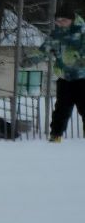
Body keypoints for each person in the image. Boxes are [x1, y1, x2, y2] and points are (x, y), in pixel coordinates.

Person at [46, 12, 84, 142]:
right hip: (64, 78)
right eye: (57, 21)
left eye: (63, 20)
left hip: (82, 78)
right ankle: (55, 135)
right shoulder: (57, 35)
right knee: (61, 109)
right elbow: (44, 48)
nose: (59, 23)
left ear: (71, 20)